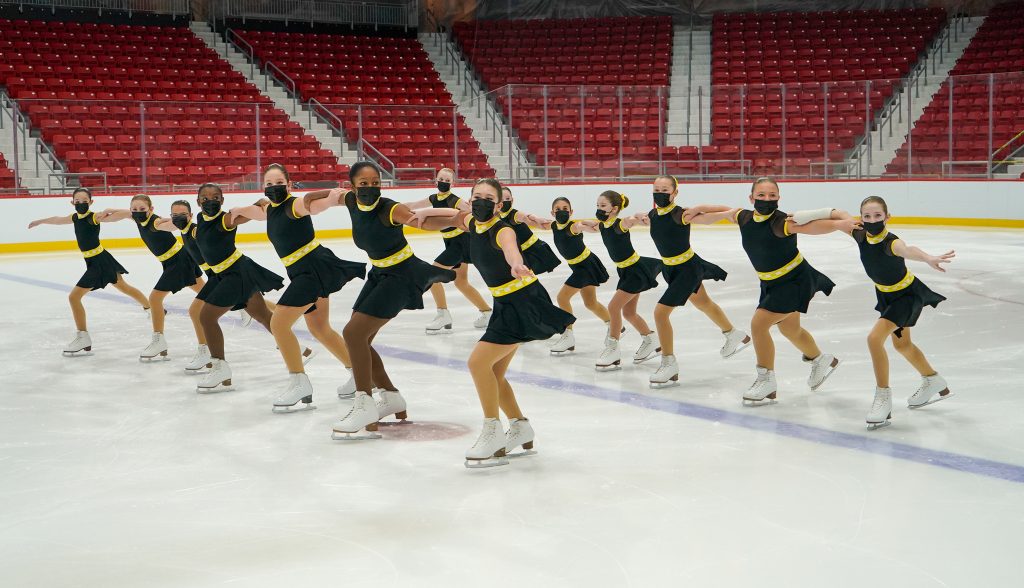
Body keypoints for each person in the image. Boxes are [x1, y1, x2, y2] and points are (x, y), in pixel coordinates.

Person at [430, 178, 575, 467]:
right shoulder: (473, 223)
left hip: (520, 301)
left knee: (478, 364)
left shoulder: (503, 229)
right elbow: (449, 215)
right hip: (505, 303)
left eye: (489, 198)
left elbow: (511, 248)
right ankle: (520, 427)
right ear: (471, 200)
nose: (482, 201)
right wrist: (417, 215)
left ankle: (492, 431)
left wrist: (516, 263)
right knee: (493, 371)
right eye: (477, 196)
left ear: (498, 205)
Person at [693, 177, 860, 405]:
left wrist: (839, 224)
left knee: (759, 324)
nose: (767, 200)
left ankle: (766, 381)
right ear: (751, 198)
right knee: (791, 330)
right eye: (761, 195)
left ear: (779, 198)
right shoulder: (744, 217)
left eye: (772, 196)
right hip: (771, 283)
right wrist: (698, 210)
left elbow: (811, 226)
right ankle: (821, 360)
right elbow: (724, 211)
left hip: (794, 281)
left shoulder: (781, 222)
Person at [331, 162, 457, 440]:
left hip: (402, 275)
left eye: (375, 182)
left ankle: (364, 403)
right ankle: (390, 396)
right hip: (379, 273)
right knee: (358, 336)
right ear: (353, 186)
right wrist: (309, 198)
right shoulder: (351, 201)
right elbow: (329, 196)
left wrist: (459, 220)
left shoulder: (390, 208)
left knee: (353, 333)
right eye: (363, 184)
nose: (370, 188)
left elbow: (420, 221)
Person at [229, 164, 366, 413]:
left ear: (289, 184)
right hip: (304, 271)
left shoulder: (294, 205)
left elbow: (312, 205)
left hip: (311, 270)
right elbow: (252, 211)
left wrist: (333, 198)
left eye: (279, 181)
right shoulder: (269, 209)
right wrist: (237, 209)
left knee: (279, 324)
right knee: (320, 328)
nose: (274, 187)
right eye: (269, 184)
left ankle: (299, 382)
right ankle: (359, 375)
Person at [840, 196, 953, 428]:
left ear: (887, 217)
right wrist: (804, 217)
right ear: (861, 218)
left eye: (877, 216)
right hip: (886, 295)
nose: (872, 220)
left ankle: (883, 398)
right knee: (902, 345)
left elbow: (908, 250)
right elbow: (838, 215)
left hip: (905, 296)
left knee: (874, 339)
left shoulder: (890, 242)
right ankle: (933, 381)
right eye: (867, 216)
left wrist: (928, 258)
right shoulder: (859, 234)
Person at [637, 176, 750, 388]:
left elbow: (711, 217)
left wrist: (712, 209)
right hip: (670, 269)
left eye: (665, 189)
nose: (659, 193)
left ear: (675, 193)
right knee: (704, 303)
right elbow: (638, 218)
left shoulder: (682, 214)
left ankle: (669, 364)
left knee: (660, 313)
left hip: (687, 269)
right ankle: (734, 334)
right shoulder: (652, 215)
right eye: (656, 189)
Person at [27, 187, 150, 356]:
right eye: (77, 201)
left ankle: (83, 337)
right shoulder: (75, 218)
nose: (81, 204)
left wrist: (120, 212)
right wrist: (40, 221)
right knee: (124, 287)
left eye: (84, 201)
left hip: (98, 262)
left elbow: (122, 216)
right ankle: (150, 307)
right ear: (72, 203)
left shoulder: (94, 217)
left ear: (91, 202)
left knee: (74, 297)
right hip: (97, 260)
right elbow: (57, 219)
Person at [191, 183, 285, 393]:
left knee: (206, 317)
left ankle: (220, 367)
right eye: (205, 198)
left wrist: (257, 204)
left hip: (235, 274)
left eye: (216, 197)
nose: (210, 201)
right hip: (227, 273)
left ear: (222, 201)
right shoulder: (200, 219)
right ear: (198, 202)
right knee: (262, 314)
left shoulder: (226, 219)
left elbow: (246, 216)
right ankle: (299, 351)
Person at [99, 194, 204, 362]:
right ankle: (241, 302)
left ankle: (159, 341)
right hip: (177, 259)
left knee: (154, 299)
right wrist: (108, 213)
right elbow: (124, 214)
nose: (138, 212)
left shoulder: (155, 222)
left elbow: (170, 226)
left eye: (142, 209)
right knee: (207, 292)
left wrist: (177, 221)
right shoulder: (136, 217)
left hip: (178, 261)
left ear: (151, 209)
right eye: (135, 209)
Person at [577, 191, 661, 371]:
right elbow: (594, 226)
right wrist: (581, 225)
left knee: (614, 307)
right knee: (629, 313)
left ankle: (613, 348)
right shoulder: (604, 225)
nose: (599, 209)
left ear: (614, 209)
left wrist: (638, 217)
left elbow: (630, 221)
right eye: (598, 205)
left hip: (635, 271)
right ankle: (651, 339)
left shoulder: (619, 224)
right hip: (625, 271)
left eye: (603, 206)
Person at [403, 168, 491, 334]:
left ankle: (443, 314)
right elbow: (413, 206)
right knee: (461, 282)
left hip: (461, 243)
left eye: (447, 180)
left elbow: (472, 211)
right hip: (451, 243)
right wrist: (393, 208)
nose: (443, 182)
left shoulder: (454, 200)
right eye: (441, 179)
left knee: (433, 275)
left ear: (452, 183)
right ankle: (487, 313)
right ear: (436, 180)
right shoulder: (433, 198)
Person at [545, 197, 612, 355]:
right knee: (590, 303)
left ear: (571, 212)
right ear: (552, 212)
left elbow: (586, 227)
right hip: (579, 267)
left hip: (586, 267)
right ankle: (615, 326)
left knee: (562, 298)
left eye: (565, 208)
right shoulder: (554, 225)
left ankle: (568, 336)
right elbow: (536, 222)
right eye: (558, 208)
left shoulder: (573, 226)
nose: (562, 211)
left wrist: (588, 224)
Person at [497, 186, 562, 275]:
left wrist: (537, 218)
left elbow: (526, 217)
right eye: (501, 199)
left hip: (533, 250)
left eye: (507, 198)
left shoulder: (514, 214)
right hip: (521, 253)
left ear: (512, 200)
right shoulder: (500, 216)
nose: (505, 201)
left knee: (526, 278)